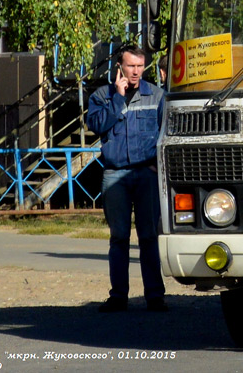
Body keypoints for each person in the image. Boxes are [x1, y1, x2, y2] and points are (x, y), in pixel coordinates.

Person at [87, 44, 167, 312]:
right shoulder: (102, 96)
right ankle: (118, 297)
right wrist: (118, 98)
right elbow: (97, 125)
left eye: (140, 66)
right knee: (119, 237)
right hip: (115, 173)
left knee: (148, 237)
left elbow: (166, 133)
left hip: (146, 173)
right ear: (119, 67)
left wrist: (157, 165)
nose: (136, 72)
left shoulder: (156, 96)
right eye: (131, 66)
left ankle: (154, 296)